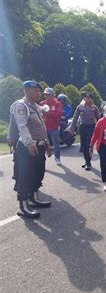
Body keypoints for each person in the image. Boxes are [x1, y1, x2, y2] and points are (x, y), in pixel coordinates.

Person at [8, 80, 53, 219]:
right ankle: (23, 206)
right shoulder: (21, 106)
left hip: (39, 146)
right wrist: (29, 143)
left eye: (39, 91)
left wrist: (47, 143)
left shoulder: (36, 107)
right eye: (35, 90)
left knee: (38, 173)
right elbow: (22, 126)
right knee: (24, 176)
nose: (39, 93)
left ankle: (34, 198)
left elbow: (41, 127)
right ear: (26, 91)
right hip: (27, 147)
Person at [68, 92, 100, 170]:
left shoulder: (94, 108)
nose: (88, 99)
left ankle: (88, 162)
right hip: (82, 127)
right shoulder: (80, 107)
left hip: (91, 127)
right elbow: (75, 118)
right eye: (86, 98)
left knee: (89, 144)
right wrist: (71, 129)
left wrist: (100, 130)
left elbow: (99, 120)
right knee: (84, 145)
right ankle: (86, 160)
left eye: (89, 98)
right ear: (84, 98)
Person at [40, 88, 63, 165]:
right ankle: (42, 160)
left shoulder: (57, 104)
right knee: (42, 144)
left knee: (56, 144)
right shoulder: (42, 103)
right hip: (44, 127)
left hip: (53, 127)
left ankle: (57, 158)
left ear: (52, 95)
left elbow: (58, 114)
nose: (46, 96)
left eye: (48, 94)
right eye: (45, 94)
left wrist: (48, 112)